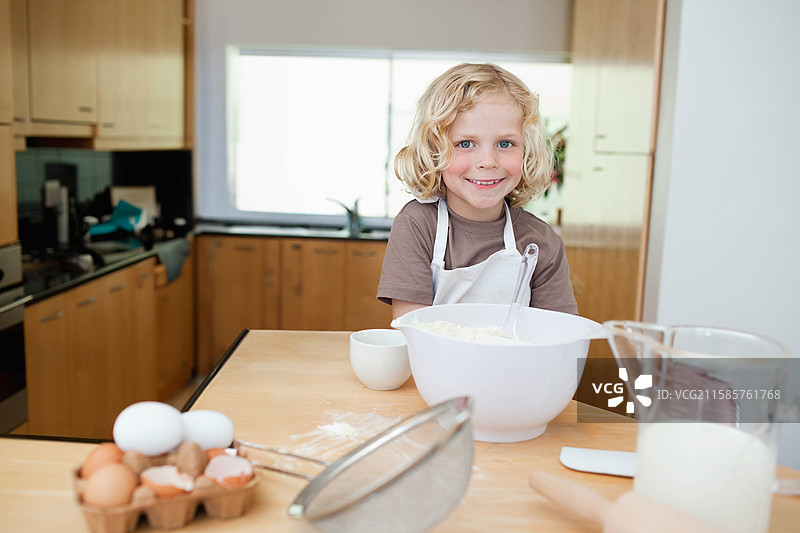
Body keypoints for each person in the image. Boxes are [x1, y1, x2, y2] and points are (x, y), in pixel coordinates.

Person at [377, 63, 577, 318]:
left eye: (505, 143)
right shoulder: (418, 225)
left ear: (527, 151)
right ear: (434, 151)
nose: (488, 161)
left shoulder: (542, 242)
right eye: (466, 143)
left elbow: (558, 337)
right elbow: (413, 331)